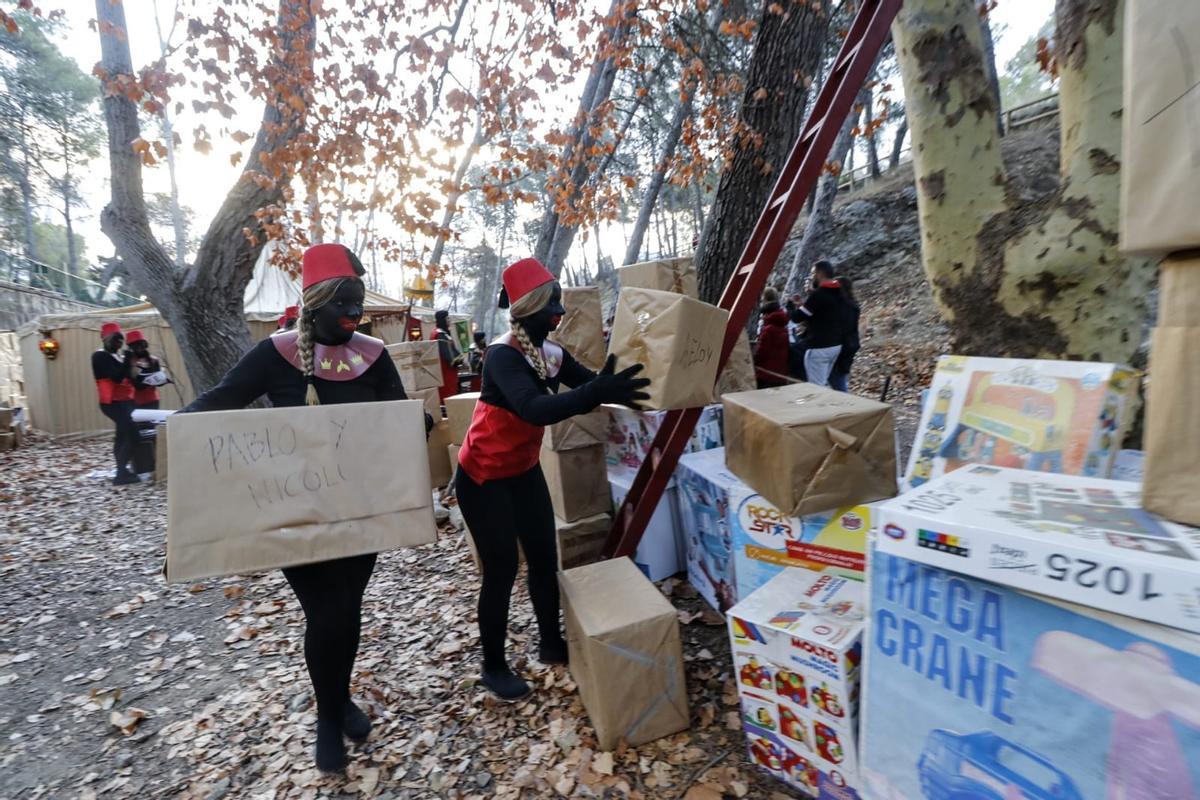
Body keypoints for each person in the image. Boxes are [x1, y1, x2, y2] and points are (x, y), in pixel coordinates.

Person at [182, 243, 428, 774]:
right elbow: (219, 402)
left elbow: (398, 414)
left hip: (364, 510)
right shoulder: (275, 354)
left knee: (349, 609)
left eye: (359, 303)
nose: (354, 313)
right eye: (343, 302)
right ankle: (328, 716)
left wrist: (417, 424)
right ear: (314, 302)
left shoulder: (375, 355)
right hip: (298, 514)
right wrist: (173, 428)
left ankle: (340, 701)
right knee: (327, 612)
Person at [455, 258, 649, 701]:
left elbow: (591, 385)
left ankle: (549, 640)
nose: (560, 311)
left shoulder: (552, 354)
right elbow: (534, 409)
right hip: (483, 478)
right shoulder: (502, 356)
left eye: (560, 301)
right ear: (530, 310)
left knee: (545, 558)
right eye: (552, 303)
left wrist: (619, 383)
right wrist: (594, 393)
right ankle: (493, 666)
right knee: (502, 570)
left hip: (522, 471)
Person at [786, 260, 853, 388]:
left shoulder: (819, 295)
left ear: (819, 274)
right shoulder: (840, 293)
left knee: (816, 388)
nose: (811, 277)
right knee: (824, 384)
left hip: (819, 348)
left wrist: (790, 306)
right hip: (836, 346)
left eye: (812, 274)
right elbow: (823, 313)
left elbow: (797, 318)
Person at [92, 322, 139, 485]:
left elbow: (130, 377)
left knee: (122, 435)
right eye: (115, 340)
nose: (118, 344)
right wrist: (127, 361)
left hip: (125, 401)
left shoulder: (118, 356)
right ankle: (121, 473)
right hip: (111, 401)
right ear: (105, 339)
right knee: (133, 434)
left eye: (120, 341)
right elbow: (116, 377)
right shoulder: (99, 356)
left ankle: (122, 469)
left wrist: (133, 364)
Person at [753, 287, 790, 389]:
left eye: (762, 300)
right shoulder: (783, 327)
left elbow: (761, 353)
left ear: (766, 301)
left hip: (766, 377)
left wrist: (752, 361)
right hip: (780, 376)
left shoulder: (768, 329)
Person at [829, 277, 860, 393]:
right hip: (849, 345)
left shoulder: (844, 306)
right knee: (839, 380)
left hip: (842, 347)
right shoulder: (852, 305)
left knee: (838, 382)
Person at [125, 330, 165, 410]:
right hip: (133, 401)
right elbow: (135, 384)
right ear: (130, 348)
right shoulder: (127, 362)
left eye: (141, 345)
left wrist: (161, 379)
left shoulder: (153, 360)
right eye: (136, 346)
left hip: (151, 400)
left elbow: (159, 382)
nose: (139, 348)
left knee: (152, 422)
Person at [431, 309, 462, 400]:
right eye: (447, 319)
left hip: (443, 372)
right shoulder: (440, 334)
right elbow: (450, 357)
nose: (449, 321)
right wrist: (460, 360)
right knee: (448, 397)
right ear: (443, 320)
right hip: (445, 372)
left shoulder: (439, 333)